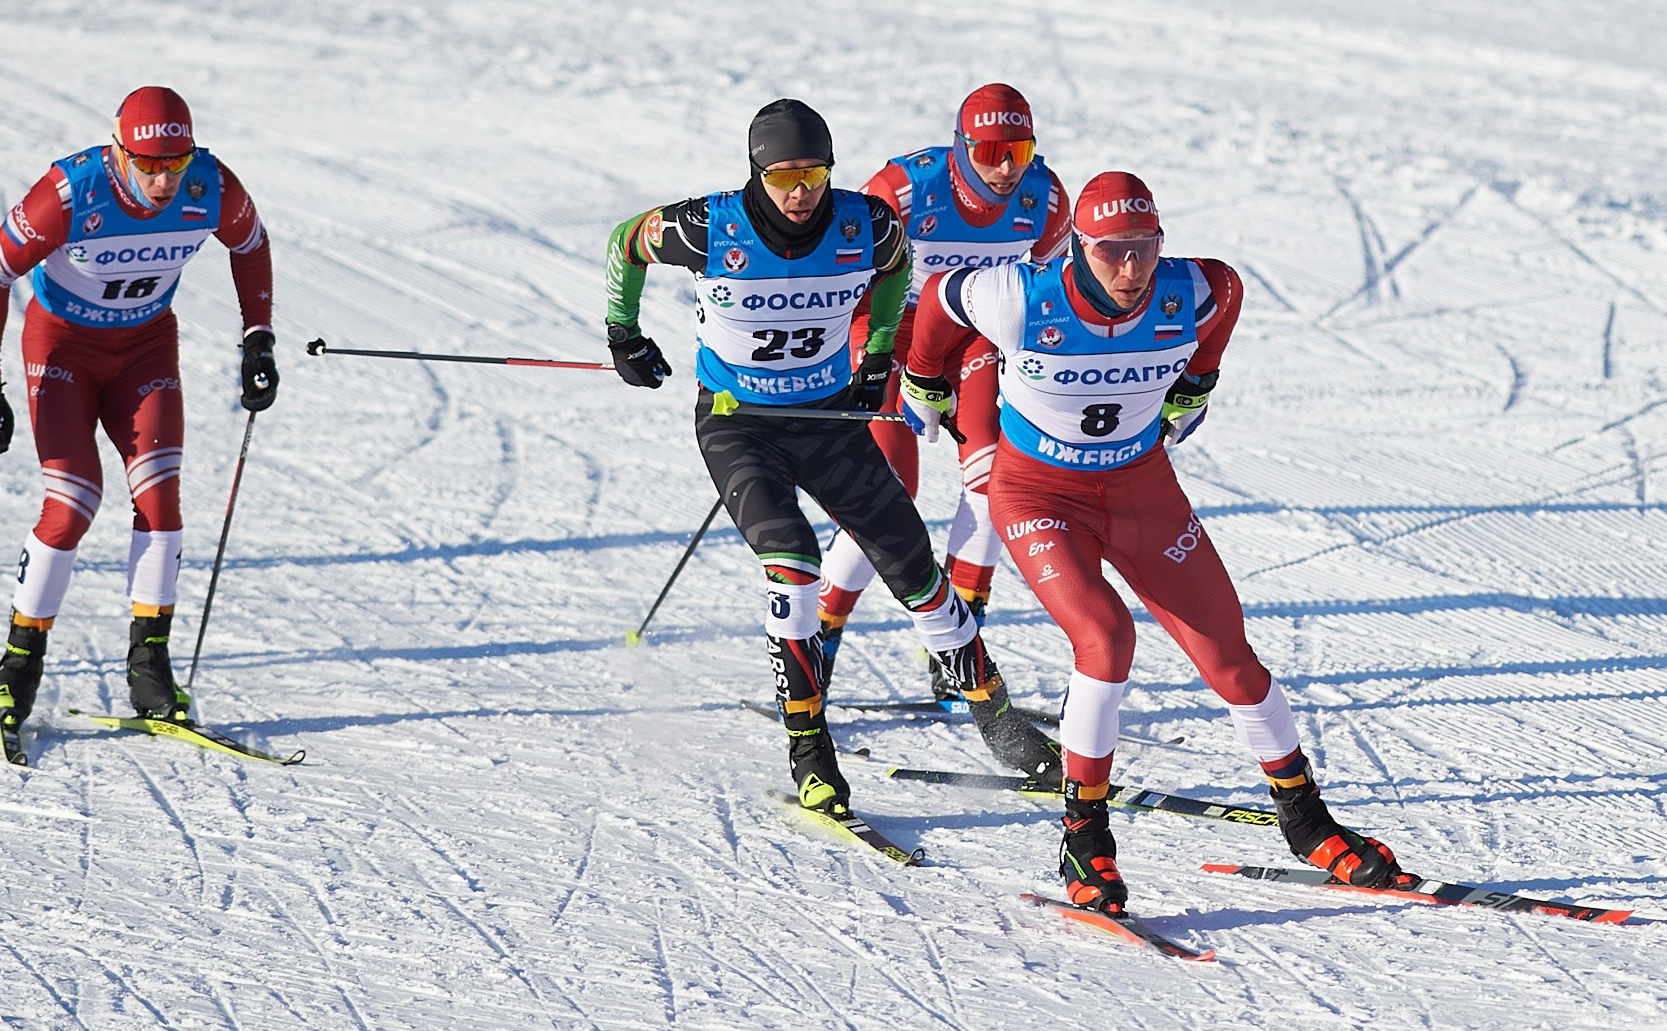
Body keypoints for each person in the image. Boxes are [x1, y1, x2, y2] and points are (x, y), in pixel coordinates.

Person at [908, 170, 1412, 915]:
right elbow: (943, 302)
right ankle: (1085, 835)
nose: (1131, 266)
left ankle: (1307, 821)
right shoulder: (1021, 296)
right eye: (1112, 251)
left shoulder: (1191, 290)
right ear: (1080, 245)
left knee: (1233, 662)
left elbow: (1229, 290)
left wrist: (1197, 380)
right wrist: (923, 379)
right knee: (1105, 637)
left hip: (1140, 490)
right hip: (1039, 495)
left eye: (1145, 247)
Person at [602, 97, 1015, 819]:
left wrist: (880, 350)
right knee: (793, 558)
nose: (801, 191)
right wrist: (623, 334)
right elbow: (624, 242)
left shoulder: (865, 221)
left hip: (828, 420)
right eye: (785, 175)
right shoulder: (709, 225)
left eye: (814, 173)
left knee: (913, 564)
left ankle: (996, 716)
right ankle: (809, 746)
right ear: (758, 170)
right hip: (740, 427)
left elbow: (896, 267)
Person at [0, 86, 276, 751]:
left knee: (160, 497)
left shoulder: (211, 184)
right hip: (63, 349)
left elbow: (251, 243)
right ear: (118, 151)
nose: (165, 180)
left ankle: (150, 670)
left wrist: (259, 337)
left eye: (175, 163)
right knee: (74, 498)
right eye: (148, 164)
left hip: (143, 349)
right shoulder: (71, 194)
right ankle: (18, 666)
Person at [819, 84, 1070, 697]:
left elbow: (1052, 285)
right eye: (990, 150)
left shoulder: (1045, 197)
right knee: (887, 488)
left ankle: (958, 646)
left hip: (972, 338)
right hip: (885, 331)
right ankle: (818, 635)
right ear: (961, 146)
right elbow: (835, 266)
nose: (1007, 166)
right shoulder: (905, 189)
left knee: (993, 481)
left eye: (1020, 148)